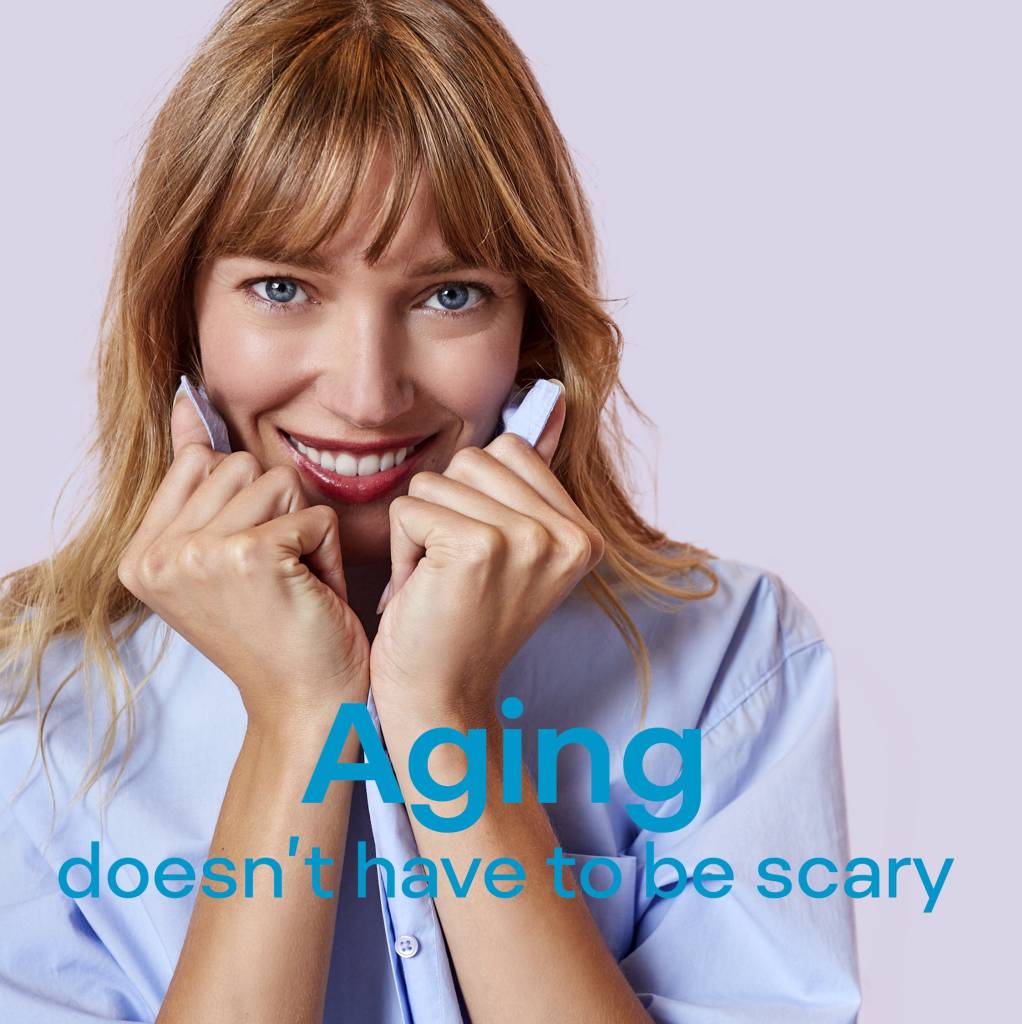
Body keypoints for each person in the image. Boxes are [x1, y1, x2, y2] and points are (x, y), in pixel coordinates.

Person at [0, 1, 861, 1021]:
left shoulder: (727, 657)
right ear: (177, 320)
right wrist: (298, 722)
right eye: (281, 287)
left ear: (532, 332)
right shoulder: (31, 695)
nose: (367, 393)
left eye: (448, 295)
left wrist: (442, 716)